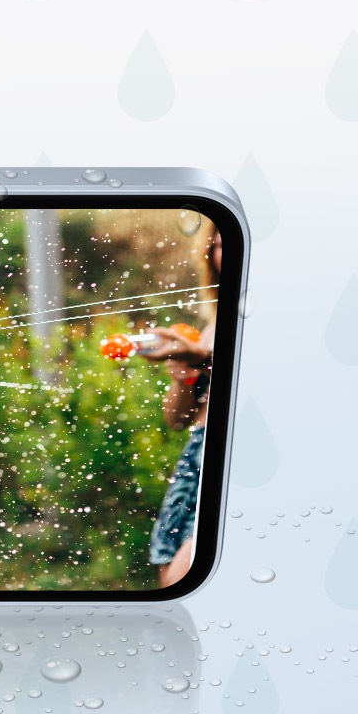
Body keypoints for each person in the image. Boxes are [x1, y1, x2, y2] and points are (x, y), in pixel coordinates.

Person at [141, 221, 222, 587]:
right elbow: (177, 419)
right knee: (170, 565)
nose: (226, 253)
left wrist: (201, 356)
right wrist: (184, 376)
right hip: (197, 450)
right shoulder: (212, 325)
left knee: (185, 572)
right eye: (218, 245)